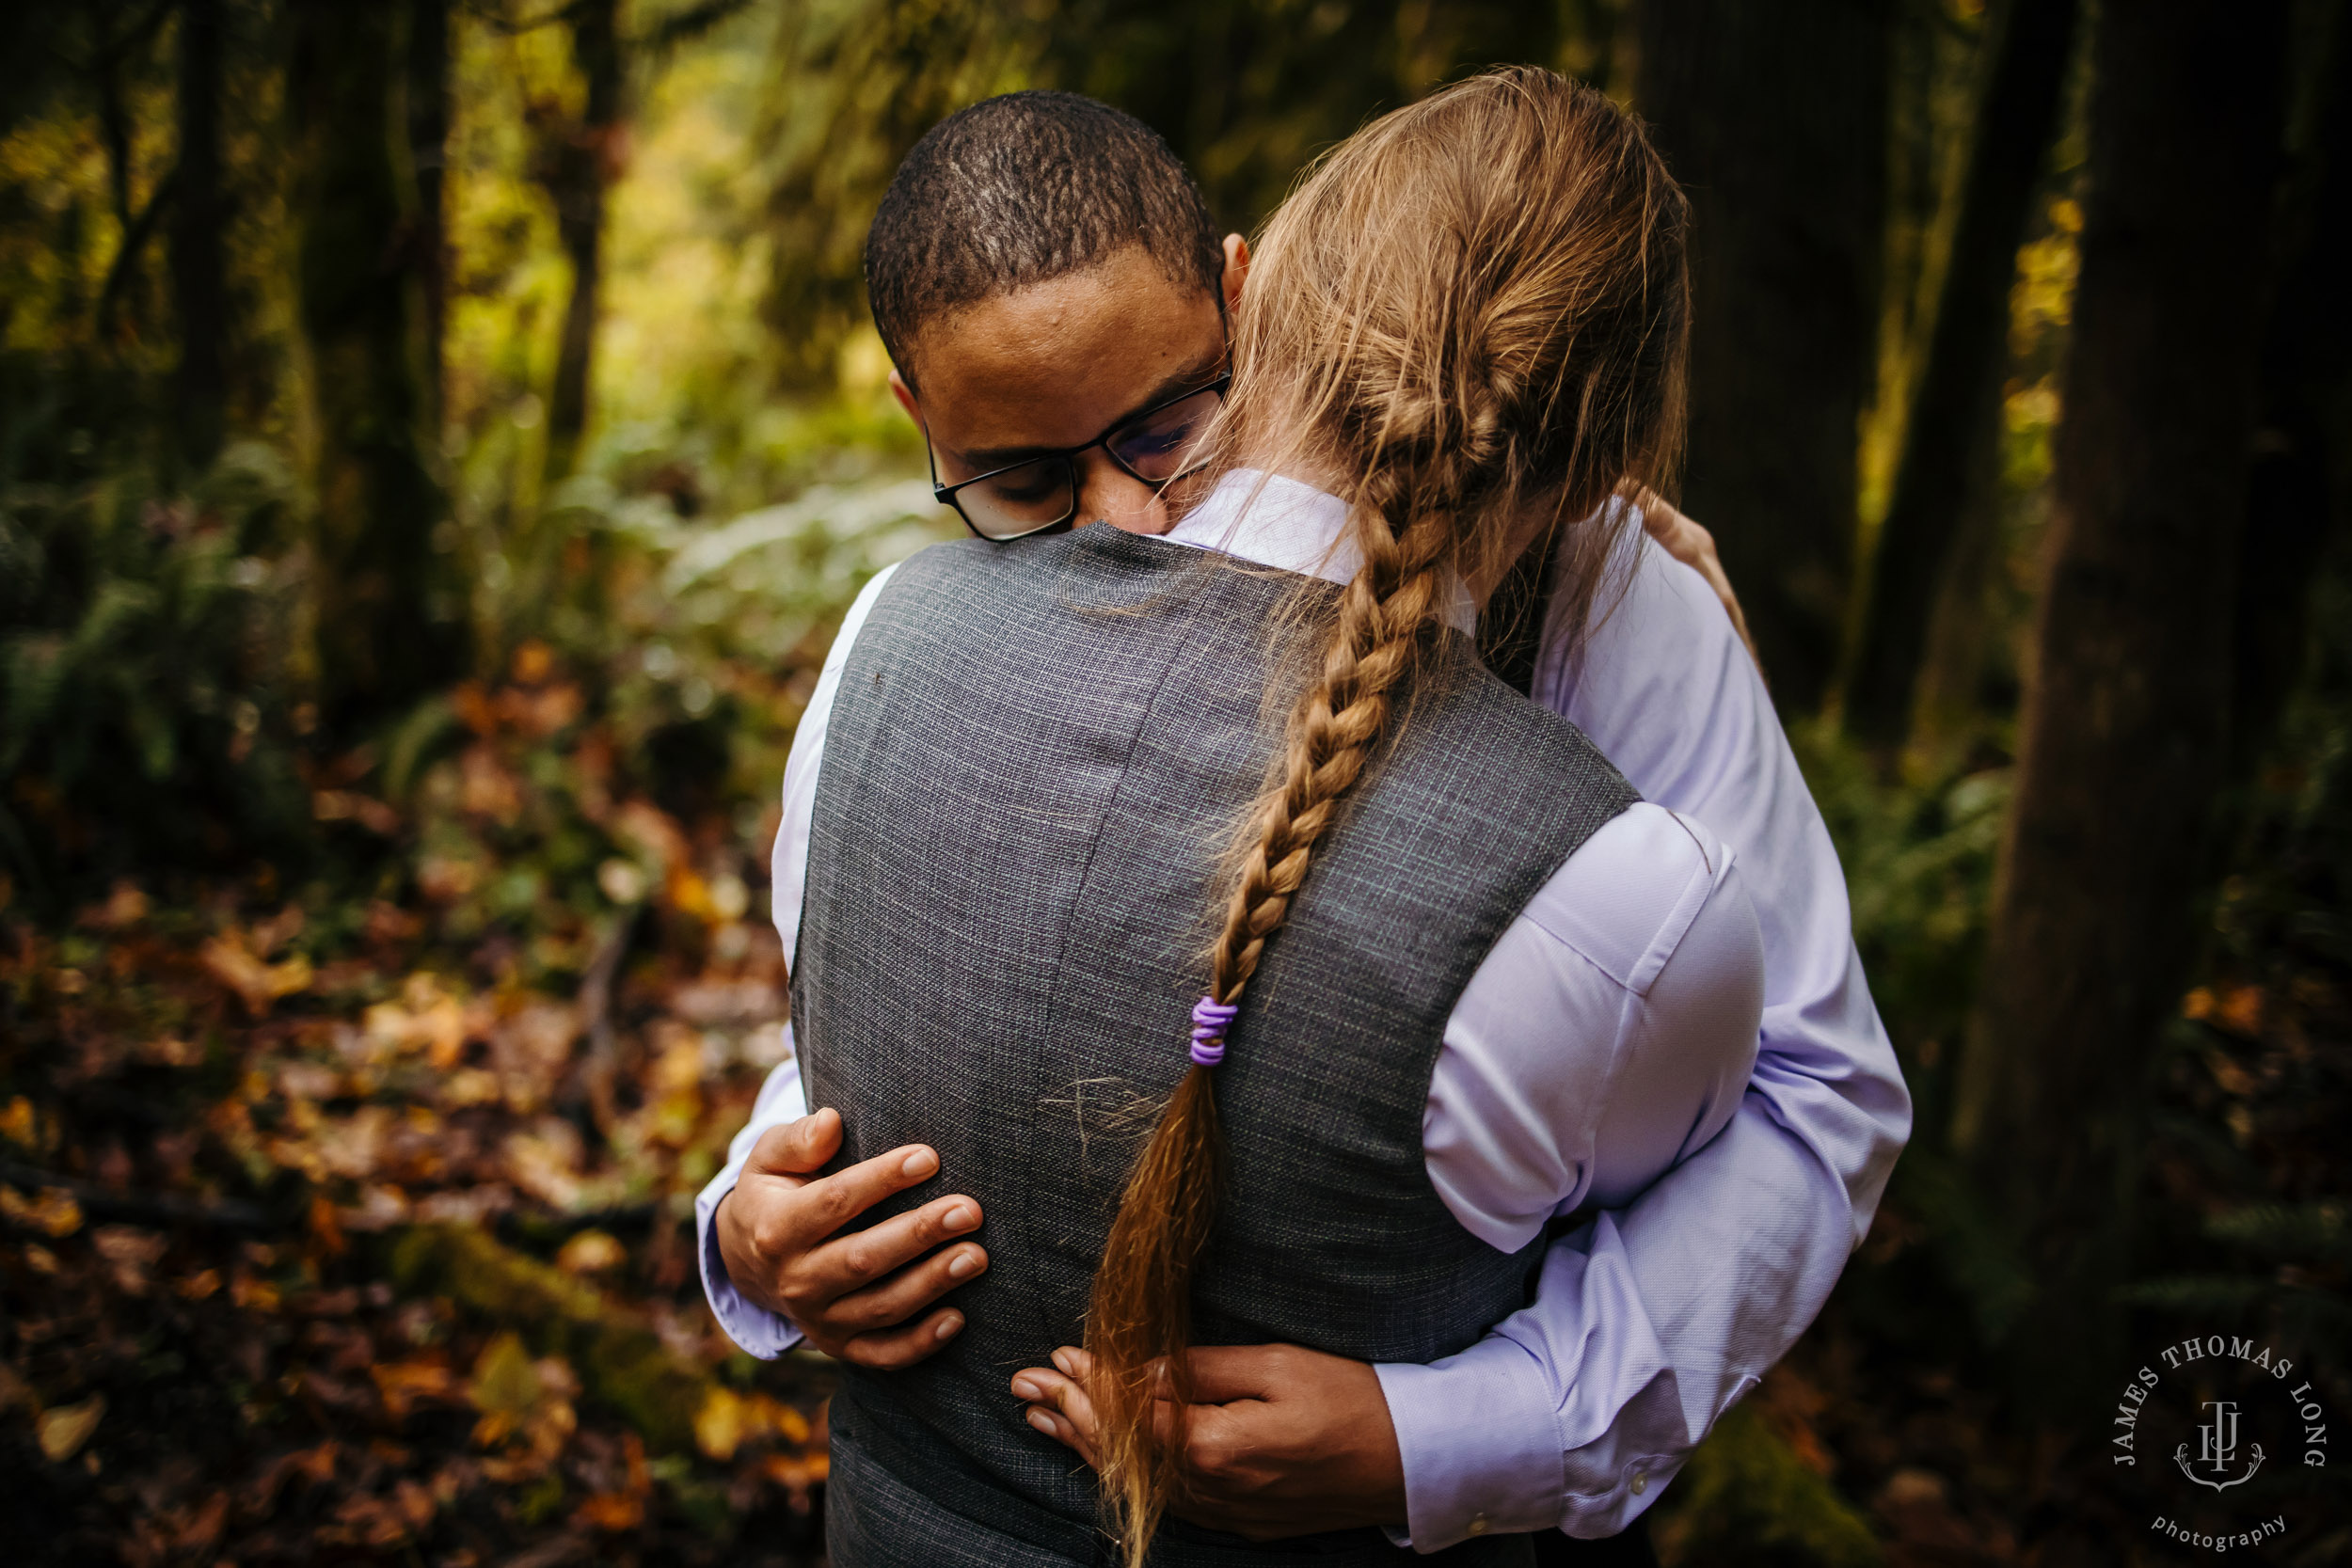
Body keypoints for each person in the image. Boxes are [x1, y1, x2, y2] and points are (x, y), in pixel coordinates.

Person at [697, 87, 1912, 1552]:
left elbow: (1794, 1085)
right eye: (1018, 480)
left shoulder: (1621, 625)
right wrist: (750, 1217)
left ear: (1248, 306)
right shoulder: (905, 632)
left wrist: (1464, 1438)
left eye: (1161, 430)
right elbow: (881, 970)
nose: (1122, 533)